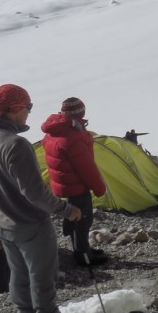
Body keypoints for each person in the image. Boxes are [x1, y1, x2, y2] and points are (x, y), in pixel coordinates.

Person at [0, 84, 92, 313]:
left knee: (19, 276)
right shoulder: (15, 145)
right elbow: (35, 194)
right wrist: (69, 210)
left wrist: (2, 198)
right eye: (28, 108)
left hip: (1, 220)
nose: (29, 113)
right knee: (42, 277)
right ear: (16, 108)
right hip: (30, 223)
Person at [41, 97, 109, 267]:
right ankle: (83, 257)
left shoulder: (54, 131)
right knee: (83, 221)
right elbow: (86, 168)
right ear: (80, 113)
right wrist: (99, 188)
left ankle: (81, 250)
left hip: (64, 184)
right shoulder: (73, 137)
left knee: (74, 218)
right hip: (77, 187)